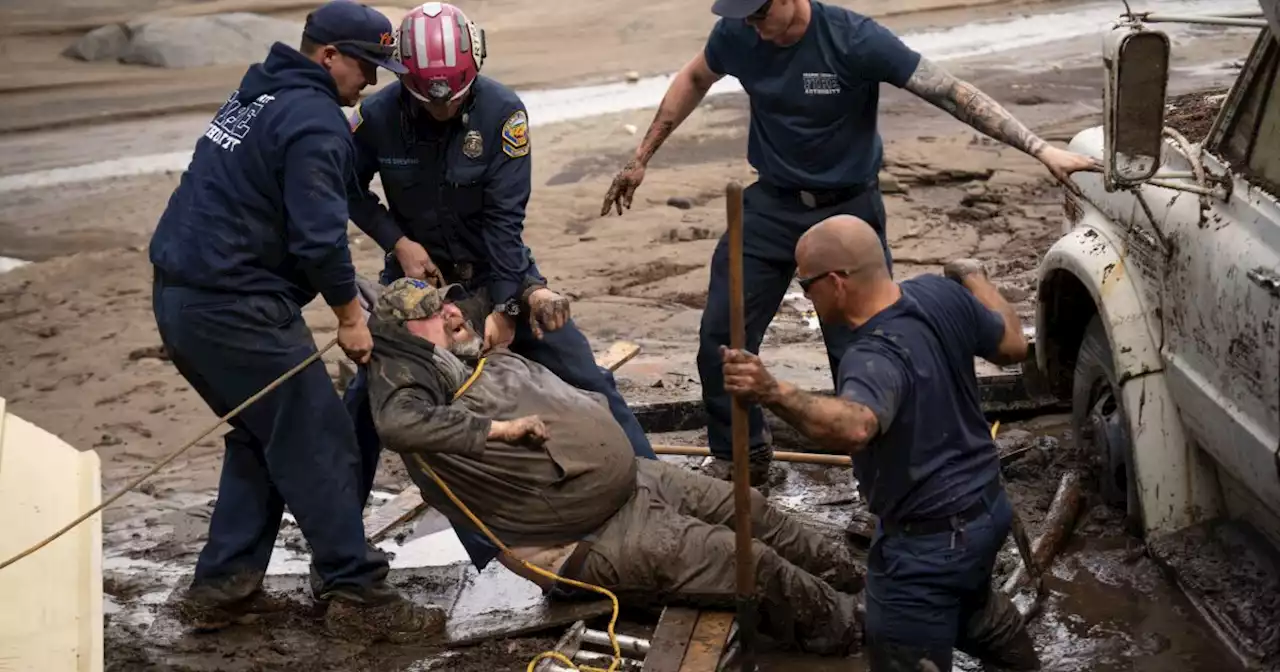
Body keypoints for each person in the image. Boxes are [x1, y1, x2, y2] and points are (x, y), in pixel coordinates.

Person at [600, 0, 1099, 486]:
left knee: (860, 348)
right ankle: (741, 458)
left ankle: (876, 479)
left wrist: (1039, 148)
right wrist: (640, 156)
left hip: (847, 210)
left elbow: (949, 92)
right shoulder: (737, 32)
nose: (753, 27)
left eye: (759, 13)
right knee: (721, 336)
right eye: (743, 17)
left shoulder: (854, 39)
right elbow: (694, 77)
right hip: (771, 205)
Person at [361, 276, 868, 656]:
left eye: (445, 301)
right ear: (406, 337)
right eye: (434, 312)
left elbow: (495, 284)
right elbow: (397, 425)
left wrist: (525, 295)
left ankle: (862, 582)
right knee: (750, 562)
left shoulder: (464, 346)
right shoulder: (410, 385)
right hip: (588, 538)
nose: (451, 312)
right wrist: (501, 431)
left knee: (755, 511)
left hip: (636, 480)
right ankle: (861, 632)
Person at [149, 0, 444, 643]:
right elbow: (318, 239)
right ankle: (356, 590)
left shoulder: (258, 94)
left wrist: (393, 243)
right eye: (365, 66)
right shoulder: (315, 119)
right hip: (234, 305)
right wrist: (349, 316)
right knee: (320, 438)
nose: (371, 81)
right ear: (328, 55)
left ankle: (222, 588)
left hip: (181, 297)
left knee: (264, 436)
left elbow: (320, 195)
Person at [342, 1, 655, 515]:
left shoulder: (502, 112)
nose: (442, 111)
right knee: (364, 408)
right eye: (429, 103)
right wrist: (397, 241)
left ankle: (651, 488)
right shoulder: (376, 118)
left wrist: (507, 310)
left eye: (452, 101)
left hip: (500, 270)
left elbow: (505, 224)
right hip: (418, 290)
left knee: (589, 379)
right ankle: (341, 550)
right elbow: (347, 187)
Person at [720, 215, 1040, 670]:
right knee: (972, 606)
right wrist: (974, 278)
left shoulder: (872, 355)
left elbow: (855, 425)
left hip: (926, 546)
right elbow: (1013, 345)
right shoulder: (943, 294)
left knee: (900, 646)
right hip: (987, 515)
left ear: (836, 283)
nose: (806, 295)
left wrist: (772, 391)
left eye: (806, 284)